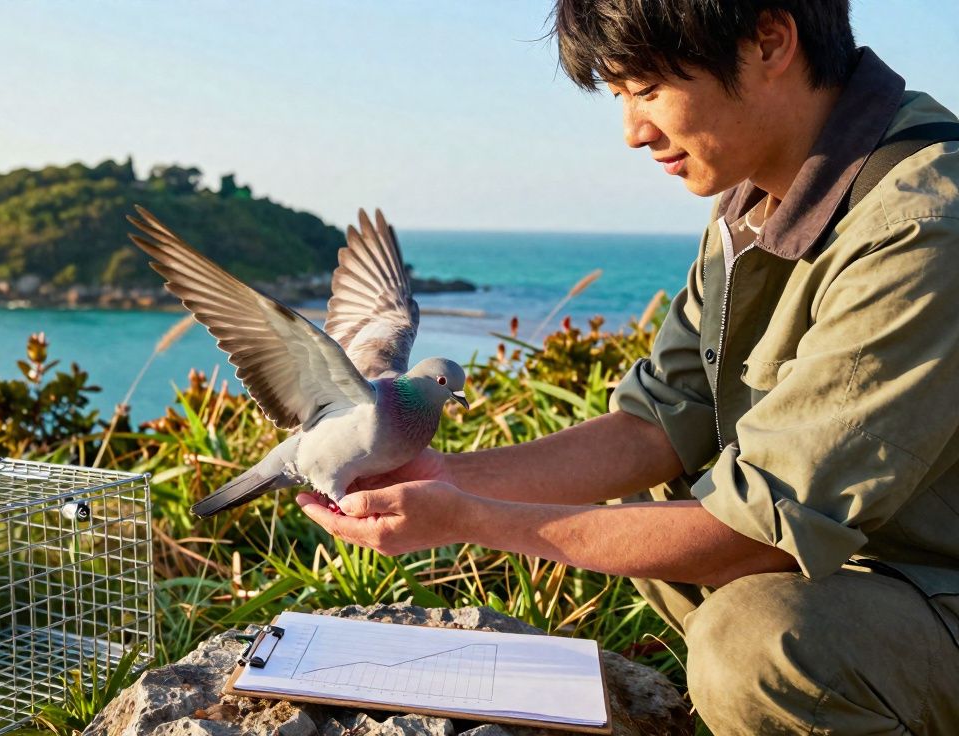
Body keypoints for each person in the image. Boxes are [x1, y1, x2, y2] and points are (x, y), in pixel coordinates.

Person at [295, 2, 959, 732]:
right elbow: (659, 423)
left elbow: (757, 530)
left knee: (754, 645)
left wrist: (468, 518)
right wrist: (446, 476)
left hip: (934, 583)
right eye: (618, 97)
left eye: (647, 90)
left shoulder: (921, 227)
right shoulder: (761, 191)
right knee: (639, 502)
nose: (633, 132)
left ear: (770, 40)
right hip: (876, 567)